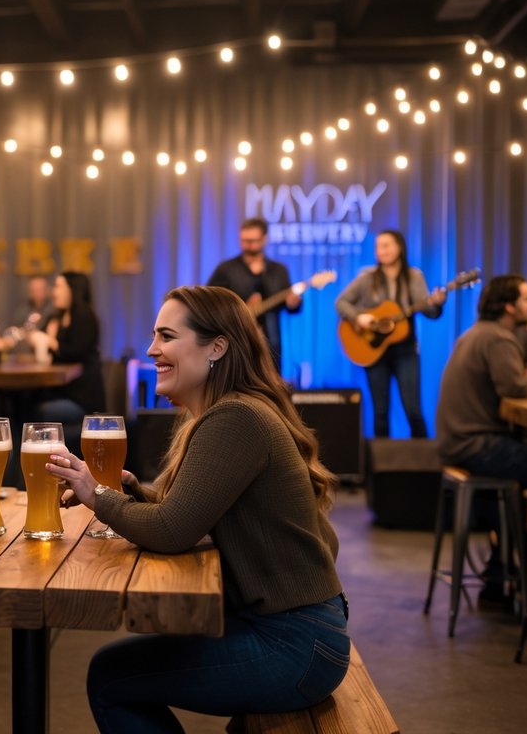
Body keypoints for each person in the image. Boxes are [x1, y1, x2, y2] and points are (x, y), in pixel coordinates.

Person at [45, 285, 348, 726]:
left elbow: (171, 531)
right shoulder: (235, 412)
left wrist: (98, 495)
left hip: (295, 644)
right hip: (302, 633)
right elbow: (187, 513)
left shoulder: (235, 418)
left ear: (217, 347)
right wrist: (128, 490)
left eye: (166, 337)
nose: (152, 350)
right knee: (123, 669)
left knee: (111, 677)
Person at [436, 274, 527, 491]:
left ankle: (524, 522)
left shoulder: (474, 334)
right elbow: (515, 388)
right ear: (509, 307)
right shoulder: (498, 338)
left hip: (456, 444)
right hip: (477, 446)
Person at [335, 229, 446, 438]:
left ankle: (423, 464)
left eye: (386, 245)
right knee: (380, 412)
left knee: (413, 410)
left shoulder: (414, 276)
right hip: (374, 349)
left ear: (399, 248)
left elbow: (429, 312)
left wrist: (437, 304)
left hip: (406, 350)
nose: (381, 251)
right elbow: (341, 302)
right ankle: (380, 467)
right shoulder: (367, 277)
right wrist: (358, 317)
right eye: (378, 246)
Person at [27, 271, 107, 454]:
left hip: (82, 398)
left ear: (73, 290)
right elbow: (45, 349)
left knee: (37, 412)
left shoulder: (85, 317)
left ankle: (35, 466)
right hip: (63, 392)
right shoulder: (58, 317)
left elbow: (76, 351)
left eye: (58, 286)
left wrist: (52, 341)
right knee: (23, 403)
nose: (54, 292)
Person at [207, 216, 301, 366]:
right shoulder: (226, 269)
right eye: (244, 240)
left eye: (253, 241)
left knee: (270, 381)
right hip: (236, 339)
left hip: (270, 341)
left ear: (264, 239)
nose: (248, 245)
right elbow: (210, 301)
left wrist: (293, 304)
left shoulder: (278, 270)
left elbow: (288, 305)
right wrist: (241, 306)